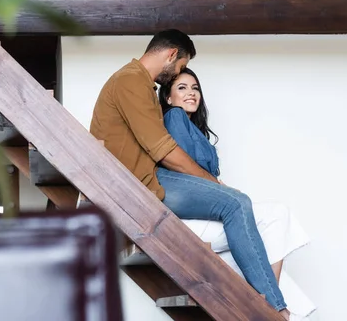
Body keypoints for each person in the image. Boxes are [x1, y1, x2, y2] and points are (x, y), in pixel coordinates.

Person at [90, 29, 292, 319]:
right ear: (172, 55)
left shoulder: (138, 82)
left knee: (245, 210)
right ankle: (274, 310)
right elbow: (163, 150)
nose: (179, 75)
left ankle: (267, 302)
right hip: (138, 187)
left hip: (145, 179)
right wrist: (212, 183)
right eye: (182, 68)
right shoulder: (130, 80)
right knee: (236, 203)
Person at [159, 67, 315, 320]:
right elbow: (183, 166)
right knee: (273, 217)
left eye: (195, 88)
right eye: (182, 87)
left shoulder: (195, 130)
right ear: (168, 97)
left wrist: (219, 188)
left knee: (269, 228)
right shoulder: (175, 116)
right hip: (187, 216)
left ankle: (273, 306)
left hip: (202, 212)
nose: (191, 93)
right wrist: (222, 189)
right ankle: (273, 307)